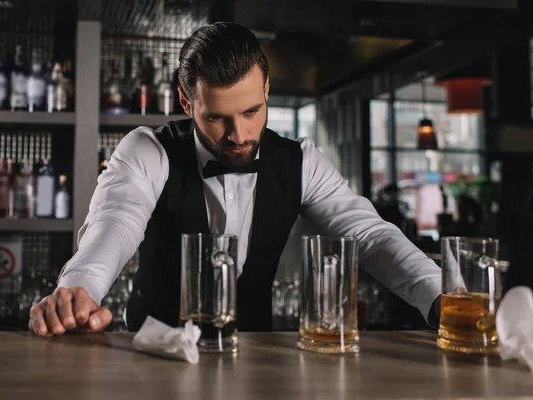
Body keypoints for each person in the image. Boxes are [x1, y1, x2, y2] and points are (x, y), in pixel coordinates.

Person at [28, 22, 442, 336]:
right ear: (187, 101)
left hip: (256, 359)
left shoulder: (302, 161)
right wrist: (81, 290)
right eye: (216, 117)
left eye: (251, 112)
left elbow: (369, 234)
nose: (240, 135)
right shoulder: (148, 150)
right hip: (154, 355)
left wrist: (439, 295)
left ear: (266, 89)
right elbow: (115, 222)